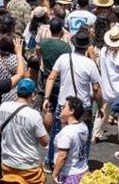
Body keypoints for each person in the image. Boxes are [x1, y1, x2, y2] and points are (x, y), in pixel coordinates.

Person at [42, 31, 101, 164]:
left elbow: (51, 77)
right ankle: (81, 163)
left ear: (73, 44)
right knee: (83, 137)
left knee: (57, 134)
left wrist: (46, 97)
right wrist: (101, 105)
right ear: (87, 46)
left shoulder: (63, 58)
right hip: (83, 107)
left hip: (64, 105)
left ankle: (50, 160)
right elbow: (96, 88)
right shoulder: (90, 63)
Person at [52, 96, 90, 184]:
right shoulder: (83, 126)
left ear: (71, 111)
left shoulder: (67, 132)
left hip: (69, 176)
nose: (61, 108)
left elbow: (62, 156)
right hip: (83, 171)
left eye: (64, 107)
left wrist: (54, 174)